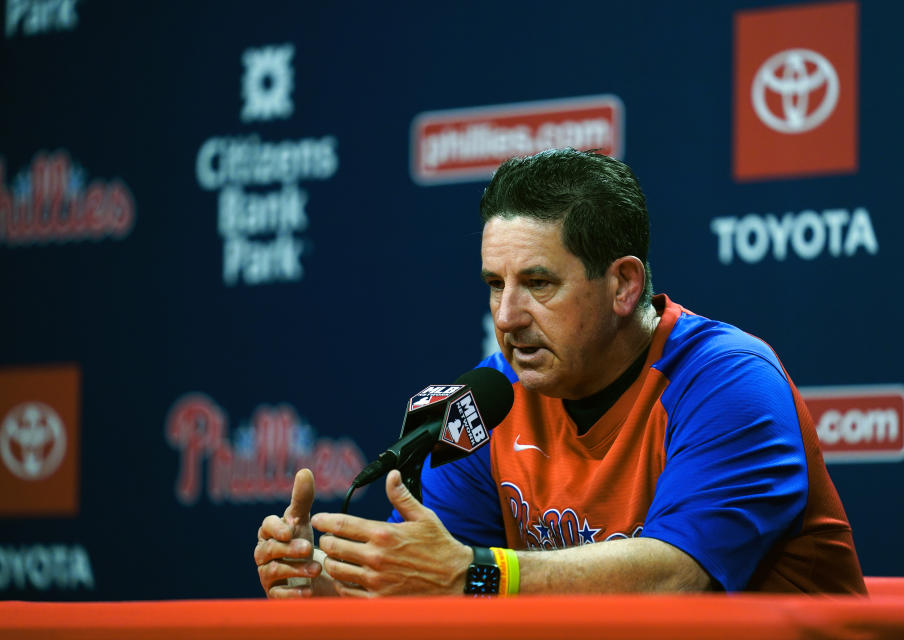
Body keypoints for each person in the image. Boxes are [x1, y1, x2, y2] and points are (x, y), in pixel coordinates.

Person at [254, 148, 866, 597]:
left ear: (624, 284)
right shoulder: (486, 398)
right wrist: (324, 586)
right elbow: (429, 582)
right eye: (496, 285)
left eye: (539, 284)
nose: (507, 316)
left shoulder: (729, 382)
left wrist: (478, 574)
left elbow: (674, 583)